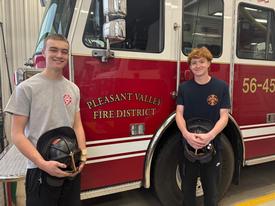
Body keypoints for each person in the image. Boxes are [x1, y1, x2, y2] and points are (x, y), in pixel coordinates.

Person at [4, 34, 86, 206]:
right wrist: (42, 164)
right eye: (54, 50)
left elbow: (77, 125)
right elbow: (17, 134)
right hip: (40, 170)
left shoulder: (73, 89)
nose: (59, 55)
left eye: (64, 51)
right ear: (44, 52)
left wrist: (82, 156)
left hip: (70, 166)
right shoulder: (26, 89)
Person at [176, 47, 230, 206]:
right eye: (193, 63)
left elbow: (224, 116)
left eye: (201, 62)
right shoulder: (184, 88)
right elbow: (179, 113)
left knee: (211, 192)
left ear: (208, 64)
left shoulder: (221, 87)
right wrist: (186, 134)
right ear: (190, 66)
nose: (197, 65)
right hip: (187, 146)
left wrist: (209, 136)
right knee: (187, 192)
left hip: (212, 146)